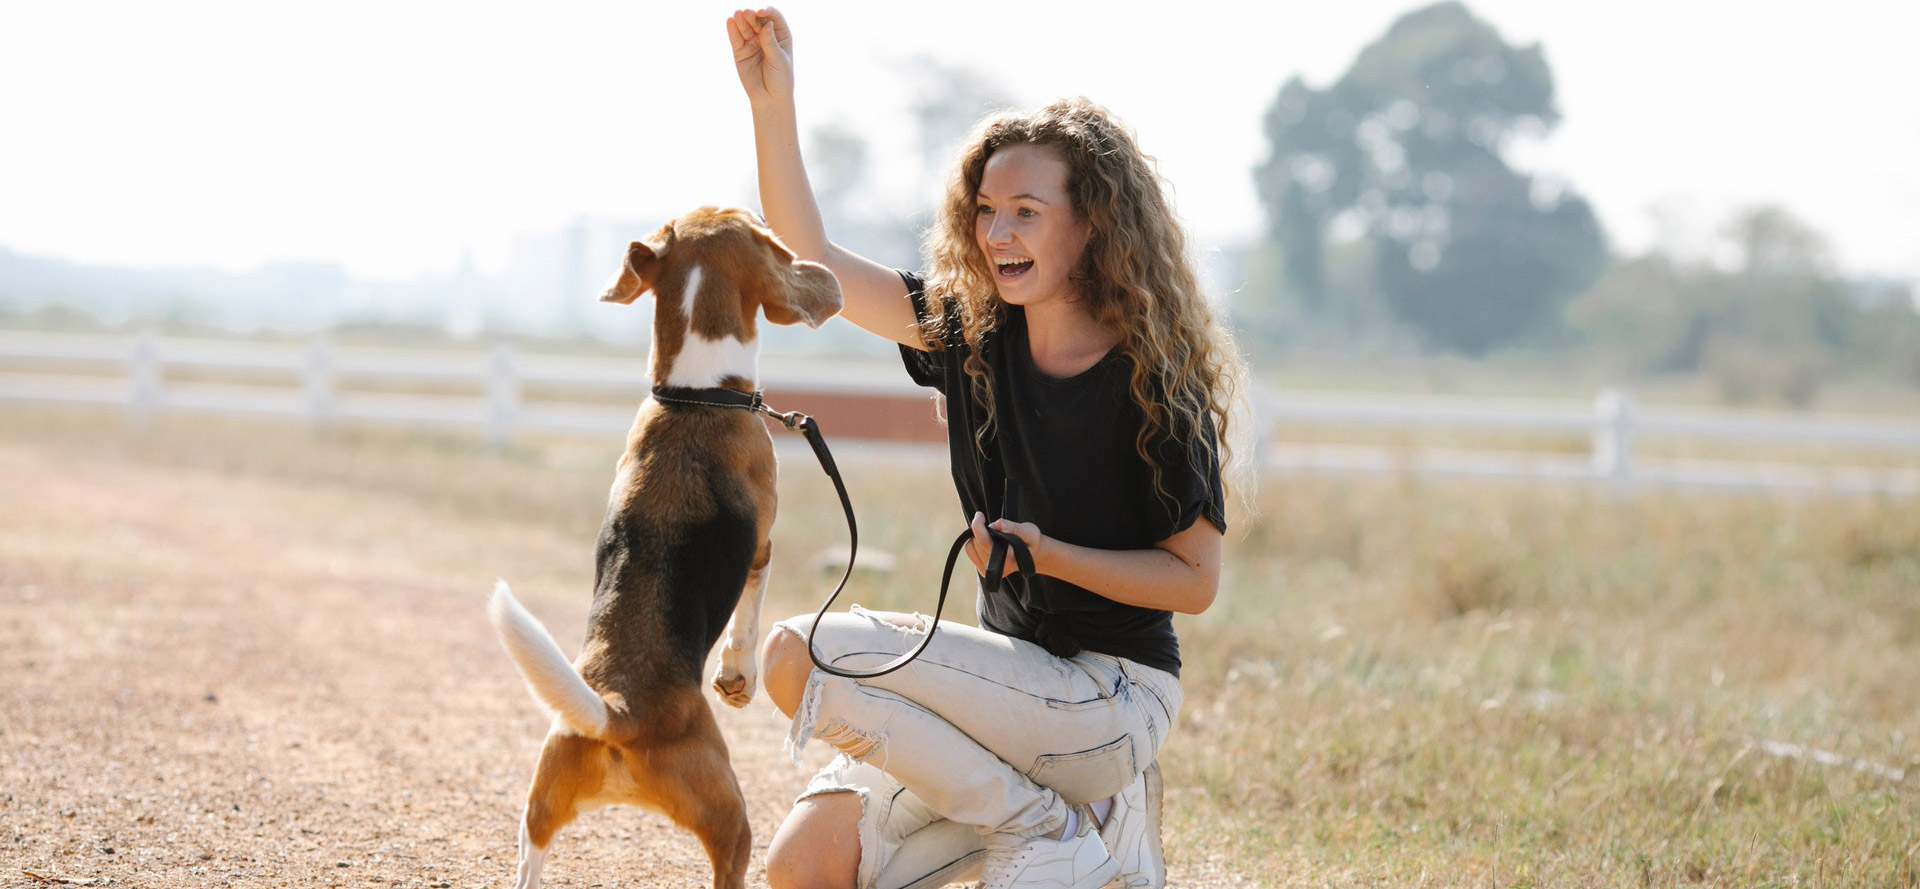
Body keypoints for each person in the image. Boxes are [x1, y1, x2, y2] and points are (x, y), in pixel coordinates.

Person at [726, 8, 1246, 889]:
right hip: (1012, 686)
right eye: (987, 212)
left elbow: (1194, 581)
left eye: (1027, 213)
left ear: (1092, 226)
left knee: (794, 651)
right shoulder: (969, 335)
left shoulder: (1156, 377)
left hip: (1110, 701)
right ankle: (1074, 832)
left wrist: (1053, 557)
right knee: (803, 870)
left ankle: (1052, 830)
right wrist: (773, 107)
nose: (999, 234)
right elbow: (807, 259)